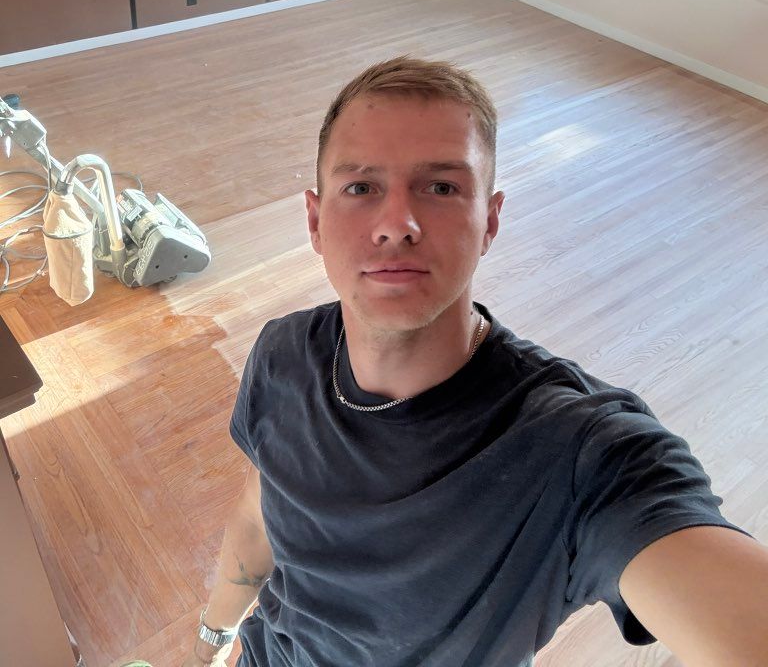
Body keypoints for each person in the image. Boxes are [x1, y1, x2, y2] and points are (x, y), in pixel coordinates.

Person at [172, 57, 767, 667]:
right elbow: (260, 517)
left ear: (491, 220)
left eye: (441, 188)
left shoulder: (579, 454)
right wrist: (212, 642)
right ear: (316, 221)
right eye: (361, 188)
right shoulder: (283, 354)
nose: (396, 225)